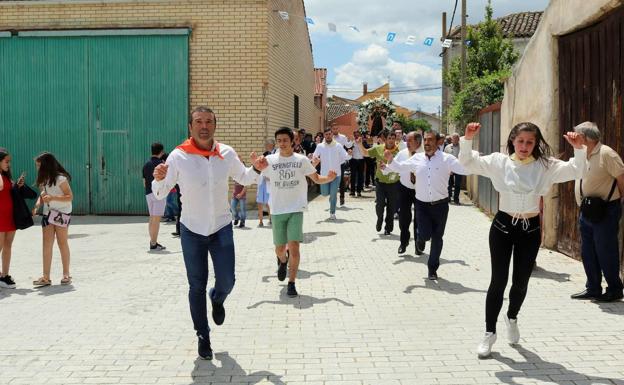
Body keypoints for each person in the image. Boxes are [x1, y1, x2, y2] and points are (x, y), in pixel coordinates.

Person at [459, 122, 586, 358]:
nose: (525, 146)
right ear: (512, 141)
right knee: (498, 281)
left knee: (520, 282)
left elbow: (577, 171)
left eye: (530, 142)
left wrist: (579, 148)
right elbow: (466, 163)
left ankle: (512, 316)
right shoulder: (499, 162)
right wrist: (467, 138)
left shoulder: (545, 166)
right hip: (502, 227)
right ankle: (489, 333)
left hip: (529, 229)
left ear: (536, 143)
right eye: (521, 141)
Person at [151, 106, 268, 361]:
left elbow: (244, 177)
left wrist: (257, 168)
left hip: (221, 227)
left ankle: (218, 298)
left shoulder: (226, 153)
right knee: (196, 285)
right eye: (198, 122)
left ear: (215, 125)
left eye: (208, 122)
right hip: (192, 230)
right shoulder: (178, 157)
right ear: (190, 127)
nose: (204, 126)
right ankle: (203, 336)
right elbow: (160, 192)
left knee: (228, 280)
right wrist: (158, 179)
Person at [263, 127, 336, 297]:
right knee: (280, 249)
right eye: (279, 140)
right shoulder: (270, 160)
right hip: (278, 210)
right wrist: (254, 164)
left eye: (285, 140)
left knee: (294, 247)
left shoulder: (302, 160)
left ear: (292, 141)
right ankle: (282, 260)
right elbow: (257, 174)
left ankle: (292, 282)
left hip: (296, 208)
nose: (282, 143)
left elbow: (316, 178)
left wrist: (329, 178)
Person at [384, 130, 467, 278]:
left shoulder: (447, 159)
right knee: (424, 235)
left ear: (438, 142)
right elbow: (400, 167)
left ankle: (432, 268)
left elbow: (463, 168)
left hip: (441, 206)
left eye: (430, 140)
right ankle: (420, 238)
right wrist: (390, 160)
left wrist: (471, 154)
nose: (427, 143)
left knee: (438, 237)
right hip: (422, 205)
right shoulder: (417, 158)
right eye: (425, 140)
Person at [570, 122, 624, 302]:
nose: (573, 138)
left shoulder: (606, 153)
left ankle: (615, 289)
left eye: (577, 135)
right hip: (586, 209)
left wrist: (617, 202)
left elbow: (621, 177)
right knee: (588, 251)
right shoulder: (582, 154)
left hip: (606, 209)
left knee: (606, 250)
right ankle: (593, 287)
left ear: (585, 138)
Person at [32, 153, 74, 287]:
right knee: (47, 245)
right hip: (48, 214)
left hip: (61, 214)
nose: (37, 168)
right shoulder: (42, 179)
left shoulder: (61, 179)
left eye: (39, 165)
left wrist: (53, 198)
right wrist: (38, 204)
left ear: (46, 165)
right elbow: (43, 195)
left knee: (62, 243)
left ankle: (66, 274)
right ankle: (46, 277)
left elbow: (69, 197)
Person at [385, 132, 422, 253]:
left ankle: (418, 244)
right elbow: (394, 166)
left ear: (418, 142)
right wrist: (385, 168)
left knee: (419, 217)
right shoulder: (401, 154)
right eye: (406, 140)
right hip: (404, 188)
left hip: (420, 190)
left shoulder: (425, 154)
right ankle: (404, 242)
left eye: (410, 141)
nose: (407, 143)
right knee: (404, 218)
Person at [358, 130, 400, 235]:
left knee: (392, 207)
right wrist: (359, 144)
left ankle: (388, 228)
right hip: (380, 182)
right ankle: (379, 218)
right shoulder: (378, 148)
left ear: (395, 140)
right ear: (385, 139)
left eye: (393, 138)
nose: (391, 140)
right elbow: (365, 153)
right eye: (389, 138)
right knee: (380, 205)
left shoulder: (399, 151)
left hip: (394, 183)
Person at [0, 149, 31, 289]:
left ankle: (4, 275)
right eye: (6, 161)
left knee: (8, 246)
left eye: (9, 162)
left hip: (10, 217)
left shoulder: (6, 176)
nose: (9, 164)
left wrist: (17, 186)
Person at [312, 128, 351, 220]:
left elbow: (346, 157)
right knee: (325, 193)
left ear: (332, 135)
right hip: (324, 175)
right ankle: (331, 199)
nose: (328, 136)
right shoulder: (320, 146)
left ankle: (332, 212)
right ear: (324, 136)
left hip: (336, 174)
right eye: (326, 134)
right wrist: (314, 159)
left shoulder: (338, 146)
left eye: (329, 134)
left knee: (333, 194)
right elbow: (314, 157)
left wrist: (349, 154)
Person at [142, 142, 166, 251]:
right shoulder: (161, 164)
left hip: (148, 193)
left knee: (152, 218)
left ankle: (152, 241)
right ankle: (153, 243)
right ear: (161, 152)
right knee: (156, 219)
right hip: (158, 194)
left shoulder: (146, 164)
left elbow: (144, 182)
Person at [330, 123, 352, 206]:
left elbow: (348, 145)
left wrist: (350, 140)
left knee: (341, 180)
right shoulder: (329, 137)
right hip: (331, 163)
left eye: (336, 128)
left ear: (338, 129)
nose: (335, 130)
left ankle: (342, 197)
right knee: (332, 180)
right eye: (333, 129)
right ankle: (332, 198)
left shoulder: (343, 137)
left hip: (341, 162)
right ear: (331, 129)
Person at [256, 139, 275, 227]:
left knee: (269, 201)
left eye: (267, 145)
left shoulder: (276, 154)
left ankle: (271, 218)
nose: (266, 146)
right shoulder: (264, 155)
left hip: (271, 181)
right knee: (260, 201)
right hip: (262, 180)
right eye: (266, 145)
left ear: (271, 145)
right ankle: (260, 221)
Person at [444, 133, 462, 205]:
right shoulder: (447, 147)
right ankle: (448, 198)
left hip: (459, 168)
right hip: (449, 168)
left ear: (458, 139)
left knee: (457, 184)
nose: (454, 140)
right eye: (453, 138)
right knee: (449, 184)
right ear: (451, 139)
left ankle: (456, 199)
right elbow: (444, 158)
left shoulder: (462, 147)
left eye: (456, 138)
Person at [349, 130, 365, 197]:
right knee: (353, 176)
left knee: (360, 176)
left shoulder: (363, 142)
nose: (356, 136)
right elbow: (348, 148)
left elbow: (367, 148)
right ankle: (352, 191)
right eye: (355, 135)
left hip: (361, 160)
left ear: (360, 135)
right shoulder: (351, 142)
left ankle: (359, 191)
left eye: (358, 135)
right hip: (353, 160)